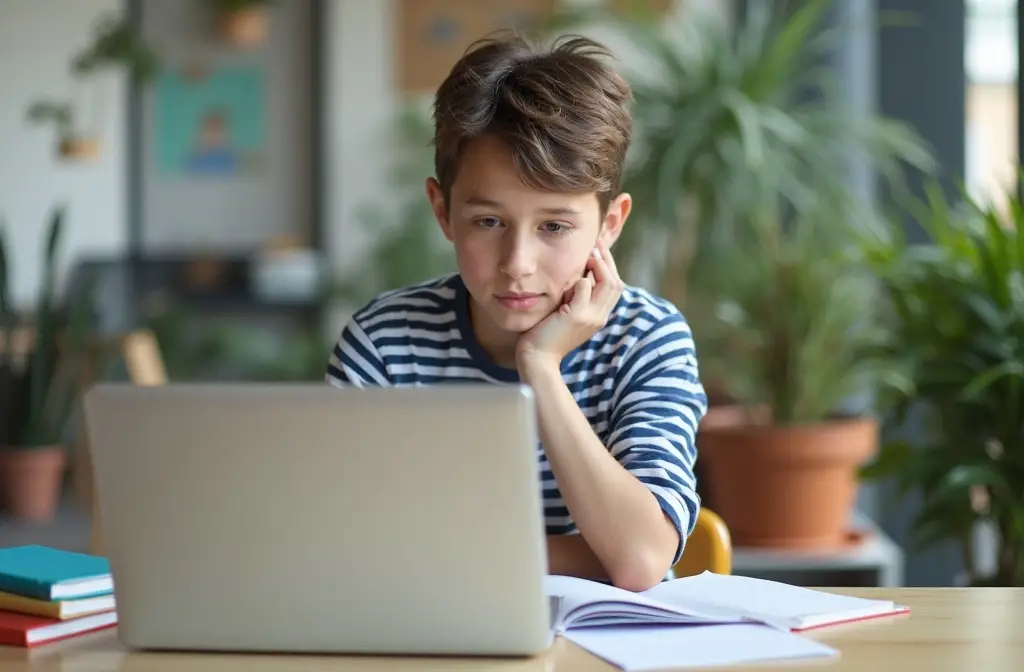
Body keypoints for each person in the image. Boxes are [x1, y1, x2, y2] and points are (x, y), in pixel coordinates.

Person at [326, 33, 707, 592]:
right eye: (488, 222)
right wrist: (582, 554)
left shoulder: (646, 338)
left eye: (554, 226)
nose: (517, 264)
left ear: (610, 224)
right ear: (443, 210)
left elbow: (639, 559)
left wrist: (541, 367)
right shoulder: (386, 342)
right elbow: (346, 545)